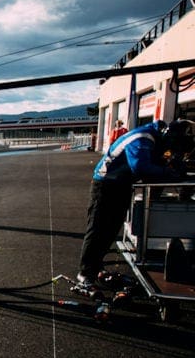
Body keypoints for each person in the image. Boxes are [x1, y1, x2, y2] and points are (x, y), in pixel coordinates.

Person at [76, 118, 194, 286]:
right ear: (169, 138)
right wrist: (169, 172)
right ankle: (85, 272)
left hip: (122, 184)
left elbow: (155, 167)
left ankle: (96, 266)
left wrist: (171, 167)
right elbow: (141, 167)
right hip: (106, 184)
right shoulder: (143, 138)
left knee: (112, 228)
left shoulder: (156, 139)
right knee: (98, 229)